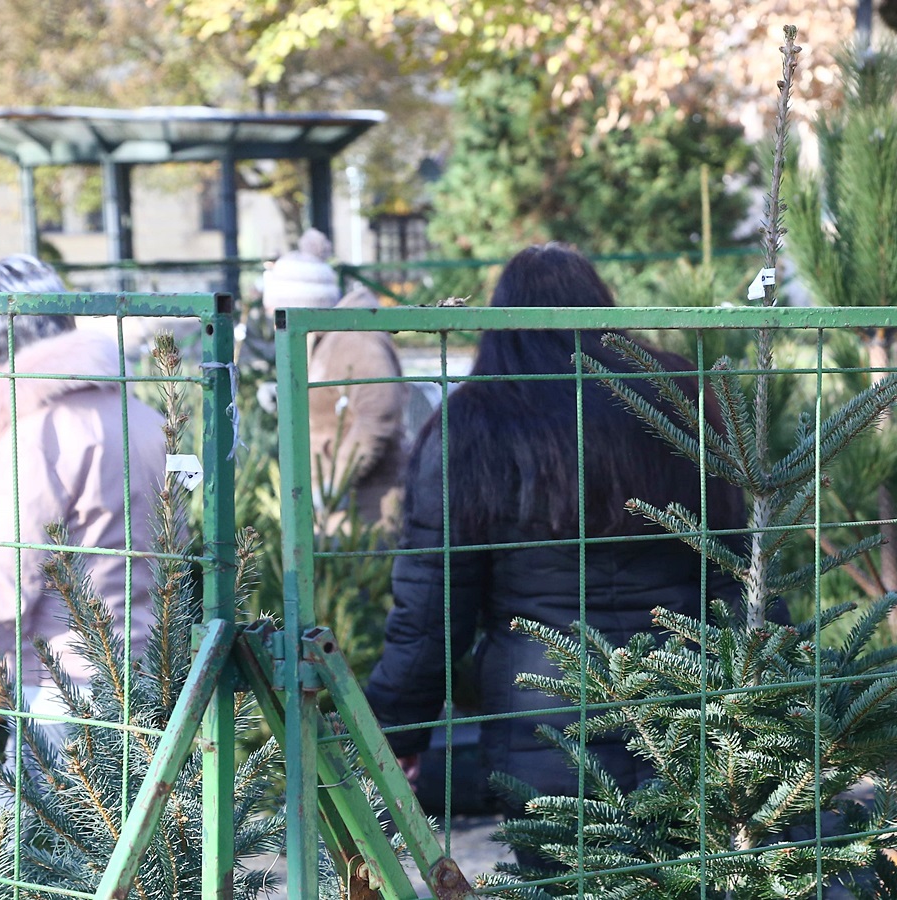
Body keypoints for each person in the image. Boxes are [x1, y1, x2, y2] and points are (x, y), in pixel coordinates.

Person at [364, 243, 747, 823]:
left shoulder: (473, 423)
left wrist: (397, 729)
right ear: (601, 310)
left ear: (501, 323)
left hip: (544, 714)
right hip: (688, 696)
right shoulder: (678, 396)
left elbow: (432, 604)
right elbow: (736, 566)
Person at [0, 255, 166, 750]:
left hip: (64, 688)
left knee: (21, 825)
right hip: (159, 674)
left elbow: (7, 591)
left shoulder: (35, 437)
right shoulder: (148, 419)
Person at [261, 229, 411, 534]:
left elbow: (378, 411)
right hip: (341, 513)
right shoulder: (326, 337)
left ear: (298, 304)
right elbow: (331, 394)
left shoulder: (353, 338)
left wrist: (335, 484)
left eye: (275, 312)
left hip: (366, 516)